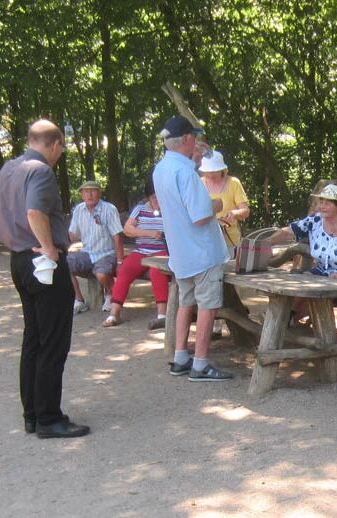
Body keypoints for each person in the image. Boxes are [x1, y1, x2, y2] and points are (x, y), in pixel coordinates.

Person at [0, 119, 90, 439]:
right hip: (42, 264)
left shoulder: (10, 168)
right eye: (61, 149)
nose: (60, 155)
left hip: (19, 262)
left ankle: (33, 414)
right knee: (53, 341)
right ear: (55, 144)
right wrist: (50, 248)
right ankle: (50, 418)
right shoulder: (41, 170)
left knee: (34, 339)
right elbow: (34, 212)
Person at [151, 115, 234, 382]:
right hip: (202, 252)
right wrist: (217, 205)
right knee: (208, 306)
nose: (196, 143)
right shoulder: (185, 171)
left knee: (186, 303)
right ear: (186, 139)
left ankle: (180, 357)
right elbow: (199, 215)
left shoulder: (161, 169)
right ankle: (200, 364)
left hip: (180, 252)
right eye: (194, 138)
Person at [269, 183, 337, 287]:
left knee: (305, 296)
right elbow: (289, 231)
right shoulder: (315, 220)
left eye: (327, 204)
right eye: (321, 202)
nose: (321, 207)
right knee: (297, 288)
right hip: (322, 275)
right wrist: (265, 243)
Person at [103, 180, 171, 330]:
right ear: (148, 197)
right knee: (125, 270)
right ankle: (114, 314)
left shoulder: (170, 209)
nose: (157, 200)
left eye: (160, 196)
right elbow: (127, 229)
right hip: (141, 250)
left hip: (162, 250)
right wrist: (149, 233)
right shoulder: (140, 209)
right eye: (154, 197)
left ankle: (162, 315)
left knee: (156, 271)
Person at [67, 181, 125, 315]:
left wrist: (120, 261)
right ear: (81, 195)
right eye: (86, 192)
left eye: (93, 191)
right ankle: (79, 299)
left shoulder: (109, 209)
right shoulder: (78, 210)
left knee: (101, 274)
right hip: (87, 252)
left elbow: (117, 237)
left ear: (99, 193)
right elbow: (73, 236)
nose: (89, 194)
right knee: (63, 266)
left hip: (107, 253)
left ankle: (111, 295)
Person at [199, 150, 250, 259]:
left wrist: (234, 213)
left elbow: (245, 211)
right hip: (205, 241)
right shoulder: (199, 183)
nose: (211, 175)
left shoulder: (233, 183)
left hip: (229, 240)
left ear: (222, 169)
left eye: (214, 171)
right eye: (208, 171)